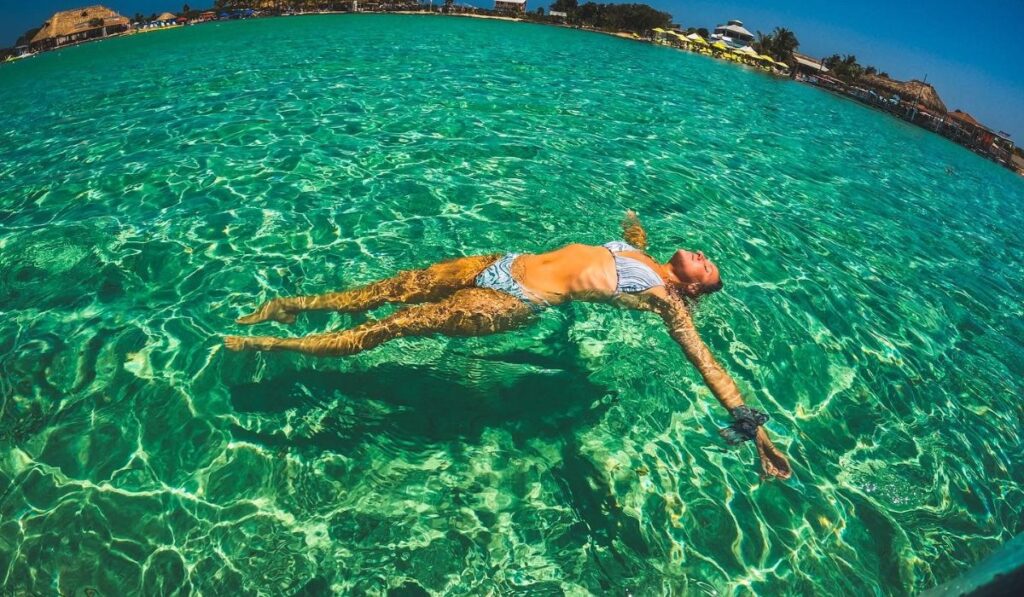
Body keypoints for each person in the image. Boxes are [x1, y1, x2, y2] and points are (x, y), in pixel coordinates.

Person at [225, 211, 792, 479]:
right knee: (383, 291)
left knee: (393, 325)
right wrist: (635, 227)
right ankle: (291, 308)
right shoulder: (643, 253)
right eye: (708, 258)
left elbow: (706, 364)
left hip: (512, 303)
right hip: (501, 263)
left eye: (707, 269)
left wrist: (754, 429)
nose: (705, 256)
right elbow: (621, 248)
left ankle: (276, 343)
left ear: (691, 289)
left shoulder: (667, 301)